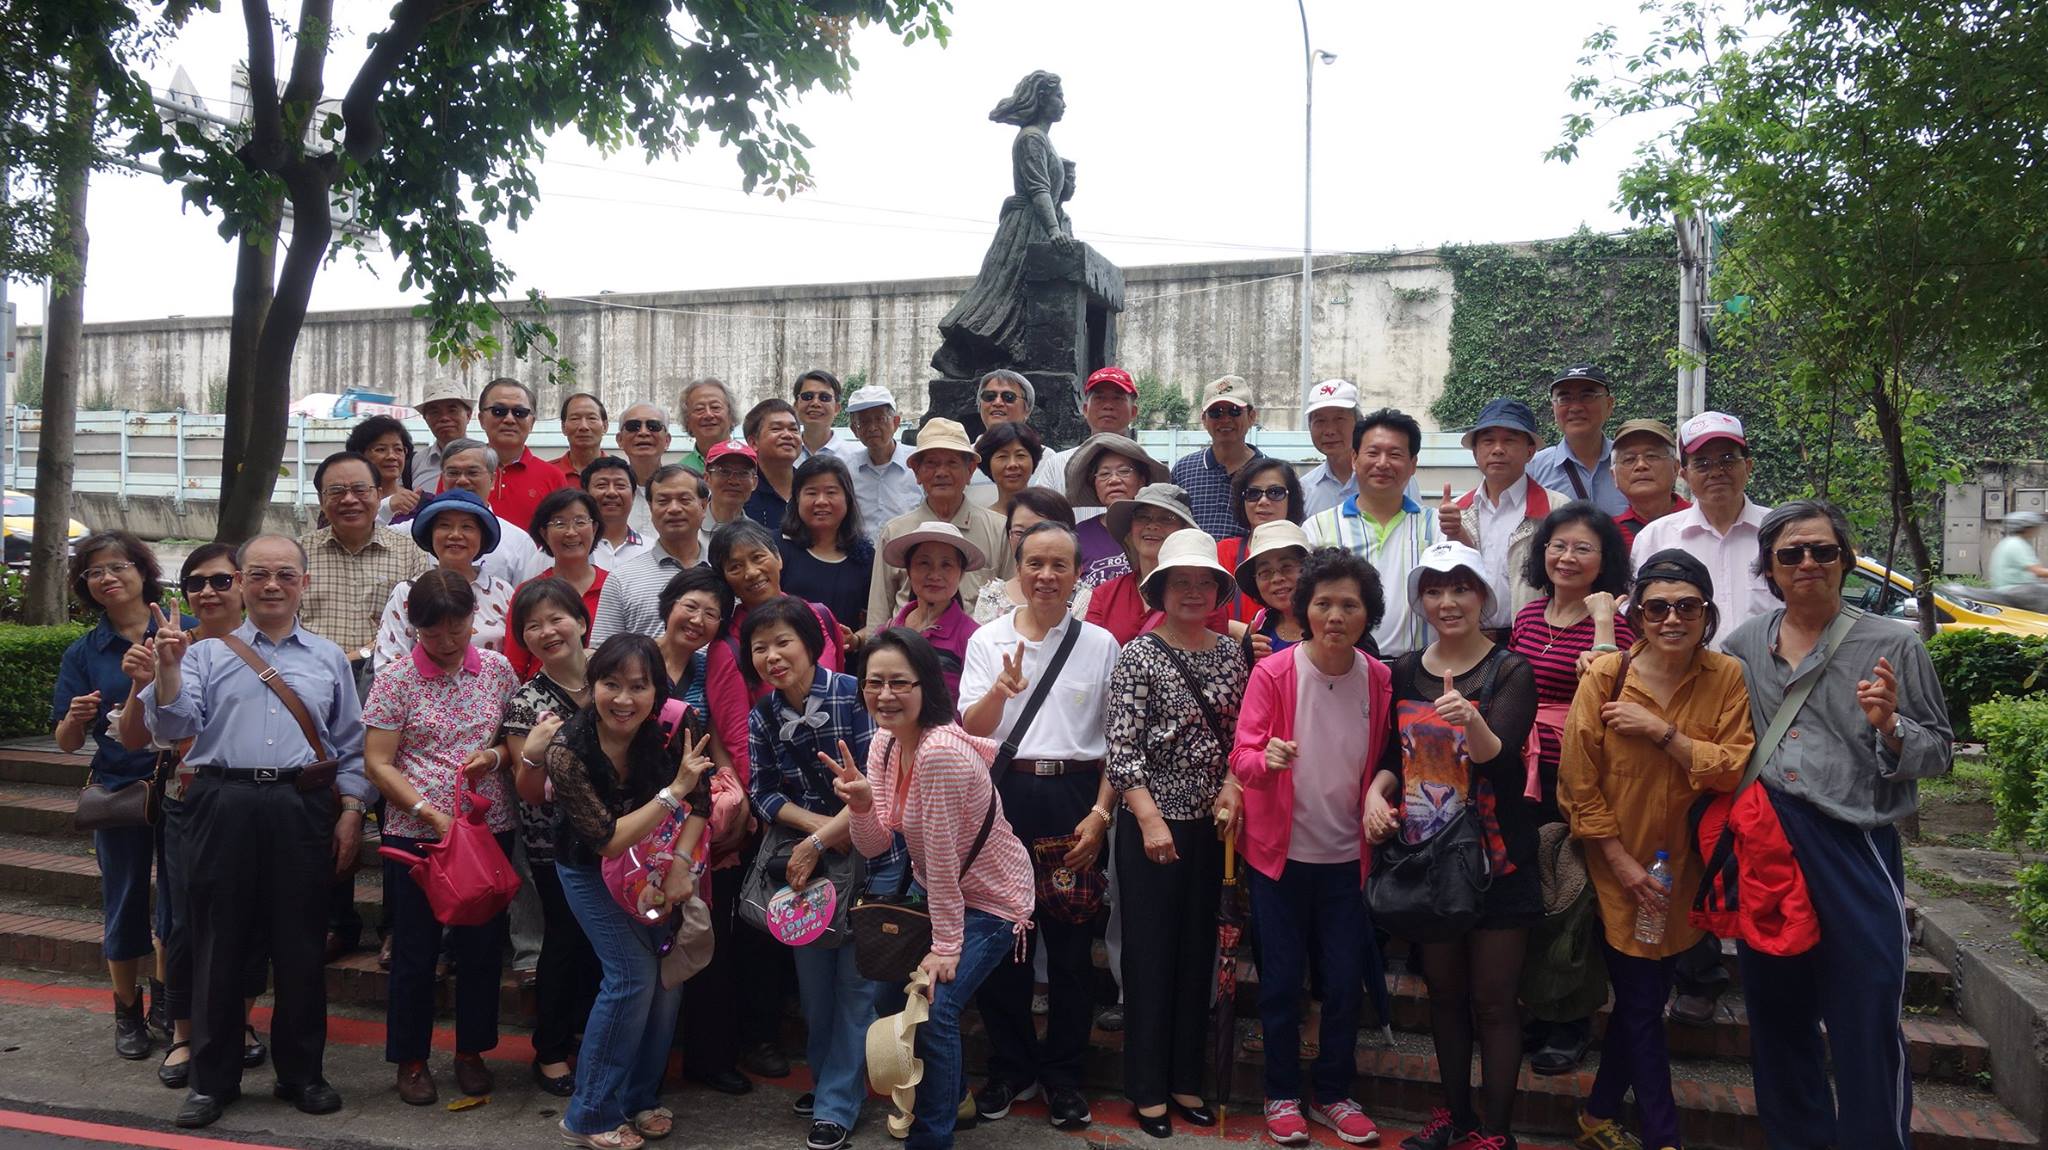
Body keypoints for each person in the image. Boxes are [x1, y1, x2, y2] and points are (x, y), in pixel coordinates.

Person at [1722, 501, 1952, 1150]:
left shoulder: (1894, 644)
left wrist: (1891, 726)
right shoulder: (1744, 646)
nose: (1808, 563)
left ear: (1845, 561)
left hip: (1855, 849)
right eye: (1791, 553)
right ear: (1769, 567)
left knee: (1866, 1017)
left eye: (1823, 550)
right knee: (1778, 1017)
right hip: (1771, 851)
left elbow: (1939, 751)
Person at [144, 534, 370, 1129]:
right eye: (260, 574)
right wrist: (168, 669)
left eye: (286, 575)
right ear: (241, 583)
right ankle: (212, 1081)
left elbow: (350, 746)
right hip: (223, 801)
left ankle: (302, 1074)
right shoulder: (202, 655)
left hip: (302, 805)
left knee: (301, 943)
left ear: (304, 584)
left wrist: (351, 809)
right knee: (217, 943)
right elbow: (173, 727)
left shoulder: (329, 658)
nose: (273, 585)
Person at [1558, 549, 1754, 1150]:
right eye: (1658, 608)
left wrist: (1662, 733)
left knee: (1642, 1001)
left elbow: (1733, 766)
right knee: (1643, 1005)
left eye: (1687, 607)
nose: (1673, 619)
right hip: (1619, 869)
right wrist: (1620, 864)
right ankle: (1663, 1137)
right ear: (1637, 615)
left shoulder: (1726, 676)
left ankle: (1596, 1115)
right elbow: (1577, 784)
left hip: (1686, 870)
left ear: (1707, 614)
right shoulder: (1606, 675)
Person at [1364, 541, 1538, 1150]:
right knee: (1443, 995)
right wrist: (1375, 794)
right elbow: (1393, 757)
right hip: (1428, 857)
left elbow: (1504, 762)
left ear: (1483, 595)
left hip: (1496, 857)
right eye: (1434, 590)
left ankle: (1496, 1132)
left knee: (1494, 1002)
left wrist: (1472, 720)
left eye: (1461, 587)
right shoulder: (1403, 669)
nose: (1448, 601)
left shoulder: (1510, 670)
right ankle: (1455, 1117)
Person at [833, 628, 1036, 1150]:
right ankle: (954, 1095)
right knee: (890, 994)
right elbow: (877, 843)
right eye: (874, 682)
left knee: (934, 1008)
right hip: (943, 892)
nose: (885, 694)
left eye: (899, 682)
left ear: (926, 685)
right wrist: (860, 804)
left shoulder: (939, 753)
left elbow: (943, 854)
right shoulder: (884, 744)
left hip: (994, 900)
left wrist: (947, 946)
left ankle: (931, 1137)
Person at [958, 521, 1121, 1130]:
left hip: (1075, 797)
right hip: (1004, 795)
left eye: (1059, 565)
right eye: (1035, 564)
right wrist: (1001, 692)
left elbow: (1118, 743)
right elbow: (972, 727)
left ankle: (1064, 1076)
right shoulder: (988, 638)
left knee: (1072, 948)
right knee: (1003, 939)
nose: (1046, 576)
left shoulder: (1101, 644)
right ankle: (1011, 1067)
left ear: (1078, 573)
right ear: (1017, 569)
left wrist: (1100, 814)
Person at [1230, 547, 1391, 1148]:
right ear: (1304, 610)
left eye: (1349, 604)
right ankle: (1280, 1094)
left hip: (1348, 859)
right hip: (1279, 858)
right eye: (1323, 603)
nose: (1335, 616)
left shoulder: (1379, 677)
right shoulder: (1275, 673)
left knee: (1344, 983)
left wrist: (1380, 798)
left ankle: (1333, 1093)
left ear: (1368, 613)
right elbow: (1242, 756)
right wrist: (1265, 759)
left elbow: (1387, 760)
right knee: (1279, 983)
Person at [691, 520, 847, 1091]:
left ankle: (828, 1043)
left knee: (829, 913)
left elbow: (839, 689)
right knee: (765, 918)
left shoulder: (817, 616)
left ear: (778, 555)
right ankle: (762, 1034)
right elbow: (735, 726)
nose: (750, 572)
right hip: (772, 797)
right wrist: (755, 800)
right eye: (734, 566)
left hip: (838, 791)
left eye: (757, 557)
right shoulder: (729, 640)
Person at [543, 635, 714, 1150]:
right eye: (610, 684)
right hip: (588, 870)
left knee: (666, 980)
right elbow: (608, 840)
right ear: (591, 685)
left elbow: (703, 802)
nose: (623, 699)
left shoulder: (678, 724)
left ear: (657, 690)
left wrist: (680, 865)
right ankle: (589, 1113)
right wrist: (673, 791)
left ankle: (639, 1098)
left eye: (638, 687)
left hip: (658, 867)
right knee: (630, 977)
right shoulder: (567, 750)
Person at [743, 596, 900, 1150]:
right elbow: (762, 792)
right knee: (814, 990)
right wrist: (816, 833)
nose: (772, 656)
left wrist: (818, 839)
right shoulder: (762, 715)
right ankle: (832, 1077)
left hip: (873, 857)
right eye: (759, 647)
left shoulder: (854, 696)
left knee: (856, 987)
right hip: (808, 865)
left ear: (813, 644)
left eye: (783, 642)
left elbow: (878, 785)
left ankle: (836, 1102)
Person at [1105, 529, 1247, 1139]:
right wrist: (1149, 817)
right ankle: (1146, 1087)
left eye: (1204, 582)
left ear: (1218, 590)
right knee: (1150, 955)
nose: (1193, 592)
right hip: (1152, 827)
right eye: (1180, 582)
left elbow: (1245, 735)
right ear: (1160, 590)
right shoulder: (1139, 654)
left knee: (1198, 953)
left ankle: (1186, 1078)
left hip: (1215, 826)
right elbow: (1121, 749)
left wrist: (1233, 787)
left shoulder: (1233, 654)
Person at [115, 544, 273, 1089]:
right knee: (183, 922)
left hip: (254, 803)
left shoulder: (273, 648)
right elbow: (133, 738)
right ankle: (182, 1033)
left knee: (250, 918)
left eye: (221, 580)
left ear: (243, 586)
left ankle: (240, 1023)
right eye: (195, 582)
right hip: (187, 804)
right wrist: (147, 677)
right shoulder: (165, 646)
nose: (208, 592)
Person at [361, 568, 521, 1105]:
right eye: (434, 632)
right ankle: (411, 1060)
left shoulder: (497, 671)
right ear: (414, 626)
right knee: (415, 949)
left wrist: (493, 757)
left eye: (457, 628)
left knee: (481, 949)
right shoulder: (397, 680)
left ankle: (472, 1051)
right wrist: (428, 814)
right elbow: (378, 763)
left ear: (474, 619)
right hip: (416, 835)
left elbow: (511, 742)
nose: (448, 641)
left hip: (485, 829)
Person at [1505, 501, 1636, 1077]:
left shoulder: (1620, 626)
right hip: (1524, 776)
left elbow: (1616, 699)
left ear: (1605, 561)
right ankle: (1539, 1006)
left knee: (1574, 898)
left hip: (1581, 776)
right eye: (1558, 545)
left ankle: (1572, 1021)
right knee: (1534, 892)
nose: (1567, 557)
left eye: (1584, 548)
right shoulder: (1529, 616)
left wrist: (1604, 621)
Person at [51, 532, 184, 1061]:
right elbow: (67, 743)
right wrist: (74, 718)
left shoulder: (178, 631)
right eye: (93, 572)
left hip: (180, 786)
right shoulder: (85, 652)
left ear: (142, 570)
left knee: (175, 902)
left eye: (117, 566)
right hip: (118, 790)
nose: (107, 578)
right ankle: (126, 1011)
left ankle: (166, 1001)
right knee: (124, 899)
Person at [503, 578, 604, 1100]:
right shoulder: (527, 701)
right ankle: (549, 1050)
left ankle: (590, 1034)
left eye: (556, 619)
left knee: (604, 943)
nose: (547, 631)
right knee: (563, 941)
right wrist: (533, 751)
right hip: (557, 843)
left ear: (581, 621)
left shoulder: (612, 675)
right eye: (532, 626)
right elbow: (528, 791)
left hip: (618, 834)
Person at [1304, 408, 1442, 658]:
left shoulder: (1437, 526)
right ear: (1354, 459)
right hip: (1342, 666)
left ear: (1412, 464)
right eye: (1373, 452)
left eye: (1395, 454)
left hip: (1418, 668)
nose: (1382, 463)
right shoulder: (1318, 527)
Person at [1629, 411, 1775, 647]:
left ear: (1748, 466)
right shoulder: (1656, 538)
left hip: (1769, 669)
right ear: (1684, 474)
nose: (1716, 472)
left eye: (1727, 460)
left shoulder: (1779, 532)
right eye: (1702, 464)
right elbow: (1639, 617)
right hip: (1685, 669)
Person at [1439, 398, 1575, 632]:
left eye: (1510, 440)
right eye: (1488, 441)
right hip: (1471, 640)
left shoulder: (1557, 508)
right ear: (1475, 452)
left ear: (1530, 452)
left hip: (1536, 638)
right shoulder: (1457, 511)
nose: (1498, 449)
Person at [867, 419, 1011, 632]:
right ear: (916, 472)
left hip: (975, 648)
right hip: (906, 646)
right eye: (931, 463)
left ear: (970, 470)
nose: (941, 472)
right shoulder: (895, 532)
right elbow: (879, 610)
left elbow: (1012, 601)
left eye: (952, 463)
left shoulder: (998, 529)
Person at [300, 450, 432, 674]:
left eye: (360, 489)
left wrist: (359, 655)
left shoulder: (410, 552)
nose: (349, 499)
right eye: (336, 491)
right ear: (321, 500)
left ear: (379, 495)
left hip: (383, 676)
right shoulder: (298, 553)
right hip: (310, 673)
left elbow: (420, 625)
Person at [373, 489, 517, 669]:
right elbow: (387, 664)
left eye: (467, 527)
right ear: (431, 533)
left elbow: (517, 659)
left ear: (482, 535)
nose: (455, 534)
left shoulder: (503, 592)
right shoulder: (408, 591)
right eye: (444, 525)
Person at [1080, 483, 1232, 644]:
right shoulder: (1105, 594)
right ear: (1131, 528)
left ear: (1184, 530)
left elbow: (1214, 653)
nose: (1152, 525)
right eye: (1142, 516)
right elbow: (1093, 652)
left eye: (1167, 518)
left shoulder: (1203, 596)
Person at [590, 465, 711, 646]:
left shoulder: (725, 571)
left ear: (703, 506)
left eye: (684, 499)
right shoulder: (621, 578)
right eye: (663, 501)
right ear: (651, 507)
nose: (674, 509)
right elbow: (601, 652)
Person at [506, 487, 609, 680]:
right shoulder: (527, 592)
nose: (571, 532)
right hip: (542, 694)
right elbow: (515, 665)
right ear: (544, 533)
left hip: (606, 692)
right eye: (560, 524)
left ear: (594, 528)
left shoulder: (615, 586)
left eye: (580, 522)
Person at [883, 522, 985, 698]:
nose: (935, 575)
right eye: (924, 563)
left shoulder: (973, 638)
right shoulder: (889, 631)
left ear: (961, 573)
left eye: (946, 565)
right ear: (909, 570)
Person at [777, 454, 873, 635]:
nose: (821, 501)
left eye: (831, 492)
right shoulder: (775, 548)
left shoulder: (865, 556)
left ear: (848, 498)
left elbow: (877, 618)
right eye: (811, 493)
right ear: (796, 498)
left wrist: (857, 639)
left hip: (844, 652)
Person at [1064, 432, 1169, 594]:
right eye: (1104, 474)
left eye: (1124, 471)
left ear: (1142, 480)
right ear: (1094, 485)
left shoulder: (1159, 531)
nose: (1114, 480)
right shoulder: (1079, 535)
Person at [436, 438, 545, 589]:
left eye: (472, 472)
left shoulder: (519, 542)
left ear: (493, 480)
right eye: (453, 473)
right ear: (442, 479)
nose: (462, 480)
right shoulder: (415, 532)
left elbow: (528, 599)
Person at [1170, 375, 1265, 538]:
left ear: (1251, 416)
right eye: (1215, 413)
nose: (1225, 419)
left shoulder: (1268, 473)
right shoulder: (1183, 471)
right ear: (1204, 419)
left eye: (1235, 411)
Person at [1527, 364, 1625, 515]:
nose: (1576, 408)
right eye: (1564, 398)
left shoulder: (1630, 464)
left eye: (1587, 396)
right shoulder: (1533, 470)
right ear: (1553, 408)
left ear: (1609, 404)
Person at [1219, 458, 1307, 624]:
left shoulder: (1309, 551)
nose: (1263, 501)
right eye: (1253, 494)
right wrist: (1235, 629)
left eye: (1275, 492)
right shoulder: (1222, 553)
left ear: (1291, 499)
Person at [833, 385, 922, 542]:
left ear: (896, 422)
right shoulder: (845, 470)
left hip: (909, 553)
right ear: (854, 429)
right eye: (863, 422)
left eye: (880, 419)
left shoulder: (918, 463)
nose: (872, 428)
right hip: (860, 554)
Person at [973, 489, 1075, 624]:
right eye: (1020, 532)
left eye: (1041, 531)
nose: (1028, 540)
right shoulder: (991, 597)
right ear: (1009, 535)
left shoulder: (1082, 599)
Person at [479, 377, 569, 530]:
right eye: (498, 411)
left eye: (519, 412)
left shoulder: (553, 477)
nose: (509, 419)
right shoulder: (459, 471)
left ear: (532, 423)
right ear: (481, 419)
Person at [1045, 366, 1141, 487]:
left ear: (1133, 412)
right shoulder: (1058, 465)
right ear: (1085, 409)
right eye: (1099, 398)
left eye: (1117, 398)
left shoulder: (1147, 466)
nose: (1108, 406)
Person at [1235, 520, 1312, 662]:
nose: (1277, 579)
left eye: (1287, 567)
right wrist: (1247, 658)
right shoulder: (1260, 622)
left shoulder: (1326, 619)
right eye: (1265, 572)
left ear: (1309, 568)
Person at [1609, 419, 1690, 549]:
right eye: (1629, 459)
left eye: (1652, 456)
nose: (1641, 465)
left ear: (1675, 468)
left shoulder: (1701, 522)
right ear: (1614, 476)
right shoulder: (1609, 535)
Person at [657, 567, 727, 715]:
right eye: (690, 607)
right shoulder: (632, 656)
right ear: (670, 605)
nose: (697, 620)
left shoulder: (711, 672)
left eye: (710, 614)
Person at [1300, 379, 1362, 518]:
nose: (1329, 431)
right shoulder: (1304, 489)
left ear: (1358, 423)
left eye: (1339, 419)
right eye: (1320, 421)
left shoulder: (1389, 479)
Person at [583, 456, 654, 571]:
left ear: (633, 496)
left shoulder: (652, 549)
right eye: (601, 485)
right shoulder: (571, 547)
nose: (611, 492)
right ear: (585, 494)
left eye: (620, 486)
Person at [613, 403, 672, 539]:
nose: (643, 432)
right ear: (620, 440)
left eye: (653, 426)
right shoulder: (607, 494)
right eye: (633, 426)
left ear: (667, 440)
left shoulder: (685, 490)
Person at [745, 398, 805, 530]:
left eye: (794, 429)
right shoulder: (742, 490)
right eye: (776, 429)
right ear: (753, 443)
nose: (788, 435)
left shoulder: (810, 486)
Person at [348, 414, 420, 523]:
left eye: (398, 449)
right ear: (360, 455)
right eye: (381, 449)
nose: (392, 456)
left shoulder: (419, 502)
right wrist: (386, 506)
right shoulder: (346, 503)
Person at [408, 378, 475, 494]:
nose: (444, 418)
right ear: (425, 419)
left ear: (468, 415)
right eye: (435, 412)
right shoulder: (414, 463)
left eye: (452, 410)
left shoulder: (487, 458)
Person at [972, 421, 1045, 516]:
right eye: (1002, 456)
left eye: (1020, 455)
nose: (1012, 464)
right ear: (988, 464)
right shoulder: (981, 520)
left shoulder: (1050, 516)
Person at [1985, 510, 2048, 611]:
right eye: (2035, 527)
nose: (2037, 530)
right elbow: (2038, 571)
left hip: (2010, 590)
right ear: (2027, 528)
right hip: (2015, 592)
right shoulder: (2017, 544)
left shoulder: (2008, 542)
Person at [679, 378, 738, 473]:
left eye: (715, 407)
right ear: (687, 420)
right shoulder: (680, 472)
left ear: (731, 415)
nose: (708, 415)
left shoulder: (752, 463)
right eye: (699, 409)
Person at [705, 439, 760, 538]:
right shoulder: (688, 529)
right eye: (724, 472)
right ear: (707, 479)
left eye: (743, 473)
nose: (734, 481)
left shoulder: (758, 536)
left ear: (754, 482)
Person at [555, 392, 610, 486]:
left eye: (592, 418)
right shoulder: (547, 473)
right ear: (563, 427)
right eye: (575, 419)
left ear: (605, 426)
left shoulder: (620, 474)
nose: (583, 426)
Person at [792, 369, 846, 462]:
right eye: (808, 396)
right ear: (796, 406)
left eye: (824, 397)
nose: (815, 403)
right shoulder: (782, 455)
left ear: (836, 408)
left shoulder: (854, 457)